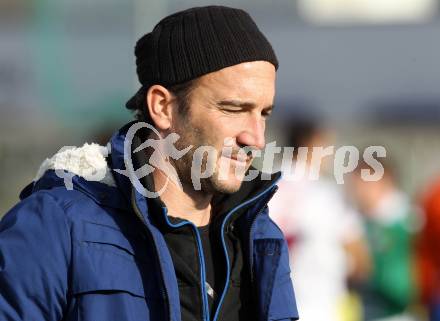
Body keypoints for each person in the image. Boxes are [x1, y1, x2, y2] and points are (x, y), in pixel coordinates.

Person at [0, 5, 299, 321]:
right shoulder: (59, 226)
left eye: (264, 113)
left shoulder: (260, 238)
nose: (256, 138)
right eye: (233, 109)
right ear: (162, 107)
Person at [268, 117, 369, 321]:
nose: (330, 154)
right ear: (310, 145)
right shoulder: (324, 194)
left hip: (273, 305)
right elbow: (360, 259)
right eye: (326, 146)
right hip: (322, 306)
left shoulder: (264, 186)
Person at [348, 159, 416, 321]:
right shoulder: (357, 221)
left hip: (399, 313)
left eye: (366, 182)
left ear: (386, 181)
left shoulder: (408, 222)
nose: (359, 190)